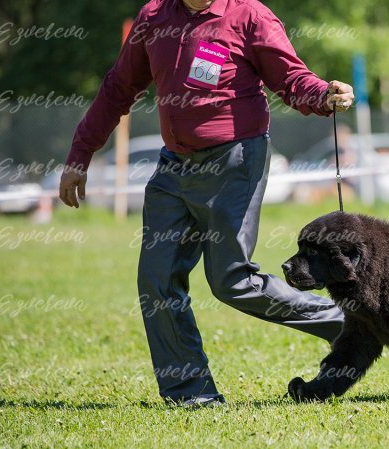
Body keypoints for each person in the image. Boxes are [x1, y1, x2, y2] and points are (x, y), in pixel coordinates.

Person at [58, 0, 355, 407]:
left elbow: (290, 77)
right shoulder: (154, 16)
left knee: (232, 280)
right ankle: (191, 394)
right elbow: (118, 87)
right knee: (156, 282)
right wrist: (80, 153)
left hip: (234, 160)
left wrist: (323, 94)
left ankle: (350, 323)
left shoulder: (250, 15)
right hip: (173, 168)